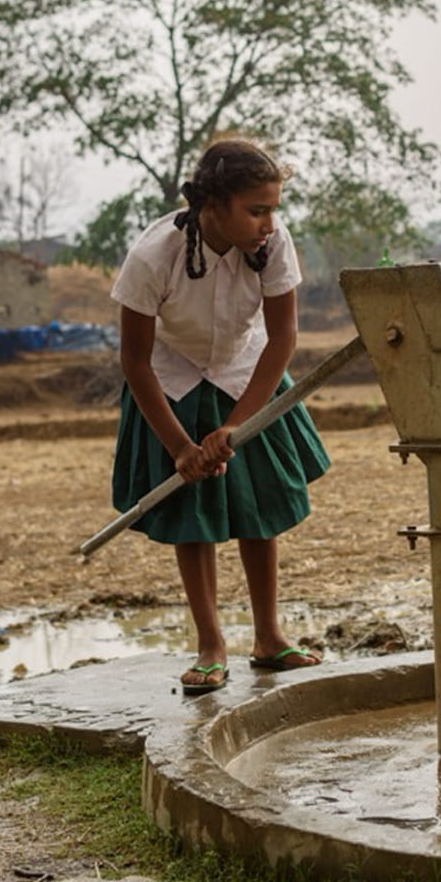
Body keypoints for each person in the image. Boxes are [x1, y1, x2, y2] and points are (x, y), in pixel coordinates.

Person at [110, 137, 329, 695]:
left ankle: (269, 637)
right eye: (256, 209)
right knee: (194, 512)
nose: (267, 221)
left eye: (273, 209)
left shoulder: (274, 243)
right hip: (172, 382)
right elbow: (134, 360)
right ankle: (210, 643)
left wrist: (238, 424)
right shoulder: (152, 256)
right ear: (213, 205)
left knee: (260, 510)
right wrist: (181, 447)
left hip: (247, 374)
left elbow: (283, 337)